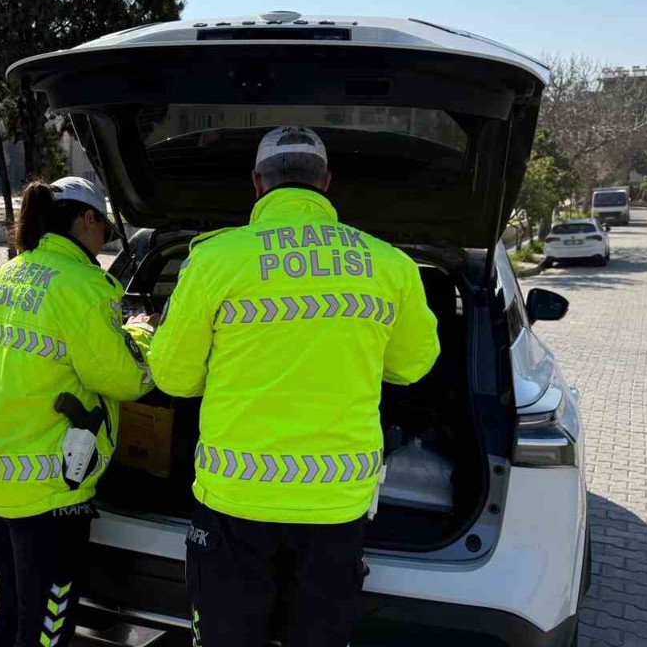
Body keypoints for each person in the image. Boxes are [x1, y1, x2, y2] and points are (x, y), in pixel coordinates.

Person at [148, 126, 440, 647]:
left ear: (258, 183)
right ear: (326, 182)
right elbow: (414, 366)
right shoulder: (390, 264)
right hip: (337, 505)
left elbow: (173, 377)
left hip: (235, 502)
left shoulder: (214, 260)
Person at [0, 176, 157, 647]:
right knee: (48, 625)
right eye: (105, 232)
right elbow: (124, 379)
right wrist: (140, 333)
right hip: (50, 490)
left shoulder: (6, 276)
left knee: (12, 608)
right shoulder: (84, 287)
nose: (105, 242)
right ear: (87, 219)